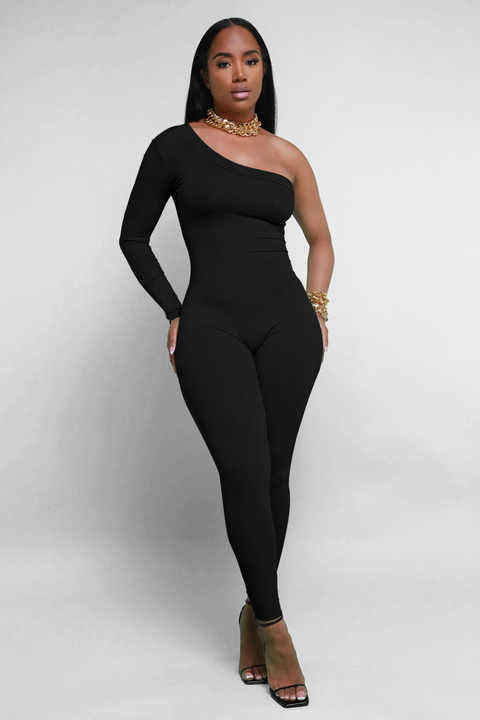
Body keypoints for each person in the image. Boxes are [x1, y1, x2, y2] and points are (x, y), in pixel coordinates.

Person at [118, 17, 334, 709]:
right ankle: (275, 628)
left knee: (273, 471)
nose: (239, 73)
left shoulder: (288, 155)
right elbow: (133, 237)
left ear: (264, 71)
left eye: (251, 60)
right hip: (210, 326)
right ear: (204, 74)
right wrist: (174, 309)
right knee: (241, 468)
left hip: (288, 328)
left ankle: (251, 612)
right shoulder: (174, 146)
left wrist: (317, 307)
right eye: (223, 61)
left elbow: (321, 239)